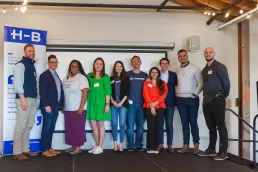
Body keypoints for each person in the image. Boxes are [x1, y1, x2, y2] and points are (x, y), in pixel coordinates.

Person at [198, 47, 230, 161]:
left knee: (220, 125)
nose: (208, 54)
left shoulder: (220, 67)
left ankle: (223, 151)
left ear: (214, 53)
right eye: (206, 53)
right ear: (204, 55)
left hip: (217, 100)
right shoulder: (204, 69)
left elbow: (226, 84)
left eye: (210, 52)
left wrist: (222, 96)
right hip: (206, 101)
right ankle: (211, 149)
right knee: (210, 126)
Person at [13, 44, 39, 160]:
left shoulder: (32, 66)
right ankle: (17, 152)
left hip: (33, 99)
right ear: (25, 53)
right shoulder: (20, 65)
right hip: (24, 99)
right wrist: (23, 99)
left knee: (28, 126)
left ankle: (25, 149)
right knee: (21, 125)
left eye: (33, 51)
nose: (32, 53)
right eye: (29, 51)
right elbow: (18, 83)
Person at [176, 49, 203, 155]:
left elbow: (201, 83)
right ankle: (186, 145)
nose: (182, 57)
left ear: (187, 56)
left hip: (192, 99)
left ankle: (196, 145)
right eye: (180, 56)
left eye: (184, 56)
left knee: (193, 122)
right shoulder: (177, 69)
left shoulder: (195, 68)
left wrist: (194, 94)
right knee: (184, 123)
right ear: (178, 57)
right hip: (180, 100)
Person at [39, 55, 64, 157]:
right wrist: (46, 105)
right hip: (48, 106)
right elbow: (42, 92)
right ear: (48, 63)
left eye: (56, 62)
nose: (54, 64)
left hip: (55, 106)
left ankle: (49, 148)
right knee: (46, 127)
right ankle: (45, 150)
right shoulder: (44, 75)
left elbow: (59, 91)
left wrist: (61, 104)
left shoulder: (56, 75)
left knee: (51, 128)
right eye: (52, 62)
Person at [63, 60, 89, 155]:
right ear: (70, 67)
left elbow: (85, 92)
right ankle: (73, 146)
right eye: (72, 66)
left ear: (79, 68)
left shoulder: (81, 78)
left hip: (78, 108)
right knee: (70, 129)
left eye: (76, 66)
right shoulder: (66, 79)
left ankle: (77, 148)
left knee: (78, 128)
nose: (74, 68)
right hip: (68, 108)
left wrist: (81, 107)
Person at [87, 57, 112, 154]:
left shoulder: (105, 77)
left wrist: (107, 104)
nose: (98, 65)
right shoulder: (89, 76)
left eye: (101, 64)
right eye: (97, 63)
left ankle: (100, 146)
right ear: (94, 65)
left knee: (100, 124)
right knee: (93, 124)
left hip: (101, 103)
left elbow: (108, 92)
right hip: (91, 103)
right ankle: (97, 145)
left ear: (103, 66)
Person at [143, 67, 168, 154]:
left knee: (158, 128)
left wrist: (155, 104)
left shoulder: (163, 83)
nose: (154, 74)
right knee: (151, 127)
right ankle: (150, 147)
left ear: (158, 73)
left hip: (160, 107)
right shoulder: (147, 83)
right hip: (148, 107)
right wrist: (151, 106)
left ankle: (156, 146)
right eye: (152, 72)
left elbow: (164, 95)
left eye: (156, 72)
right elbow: (145, 94)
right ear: (150, 73)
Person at [127, 55, 148, 152]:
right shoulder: (127, 75)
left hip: (142, 104)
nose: (136, 63)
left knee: (140, 126)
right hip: (131, 104)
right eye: (134, 61)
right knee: (130, 126)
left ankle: (139, 145)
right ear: (132, 63)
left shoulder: (145, 75)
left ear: (140, 62)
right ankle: (131, 145)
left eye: (137, 61)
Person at [158, 58, 177, 152]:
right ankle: (160, 144)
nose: (164, 65)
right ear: (160, 65)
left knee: (169, 124)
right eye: (162, 63)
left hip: (170, 103)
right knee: (160, 124)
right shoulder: (156, 75)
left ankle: (170, 145)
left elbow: (178, 87)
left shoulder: (174, 75)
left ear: (168, 64)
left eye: (166, 63)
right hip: (159, 103)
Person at [110, 61, 130, 152]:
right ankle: (115, 143)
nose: (118, 68)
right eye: (117, 66)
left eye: (120, 66)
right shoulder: (111, 78)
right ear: (115, 68)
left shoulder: (126, 78)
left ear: (122, 68)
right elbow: (108, 92)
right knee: (114, 123)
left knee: (122, 124)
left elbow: (127, 92)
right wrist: (113, 102)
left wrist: (121, 102)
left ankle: (121, 144)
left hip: (123, 103)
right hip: (113, 102)